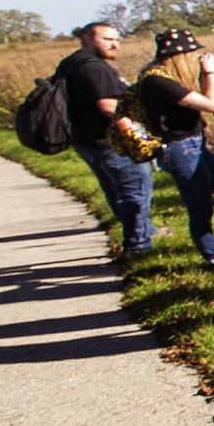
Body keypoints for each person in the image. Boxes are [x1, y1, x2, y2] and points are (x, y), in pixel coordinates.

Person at [134, 30, 214, 269]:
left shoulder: (167, 78)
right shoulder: (157, 81)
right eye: (194, 54)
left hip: (194, 143)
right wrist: (210, 72)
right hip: (179, 148)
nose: (198, 58)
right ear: (179, 56)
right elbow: (213, 104)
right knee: (200, 205)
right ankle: (212, 259)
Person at [58, 21, 155, 258]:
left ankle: (143, 232)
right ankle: (138, 244)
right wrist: (142, 124)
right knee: (136, 191)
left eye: (116, 39)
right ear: (89, 39)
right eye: (107, 39)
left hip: (86, 141)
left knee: (116, 190)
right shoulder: (96, 69)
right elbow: (107, 104)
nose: (114, 44)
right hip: (110, 142)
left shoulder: (70, 63)